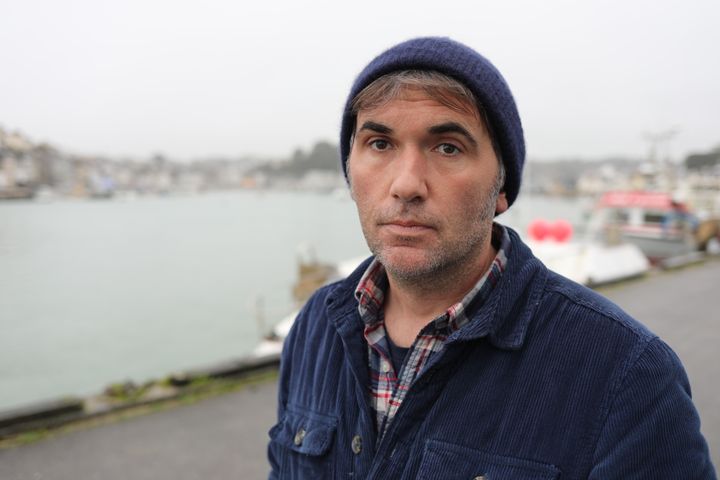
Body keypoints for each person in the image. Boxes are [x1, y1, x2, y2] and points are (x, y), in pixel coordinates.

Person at [268, 37, 716, 479]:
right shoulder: (315, 328)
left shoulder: (625, 375)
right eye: (380, 144)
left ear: (501, 188)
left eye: (447, 147)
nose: (406, 185)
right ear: (350, 171)